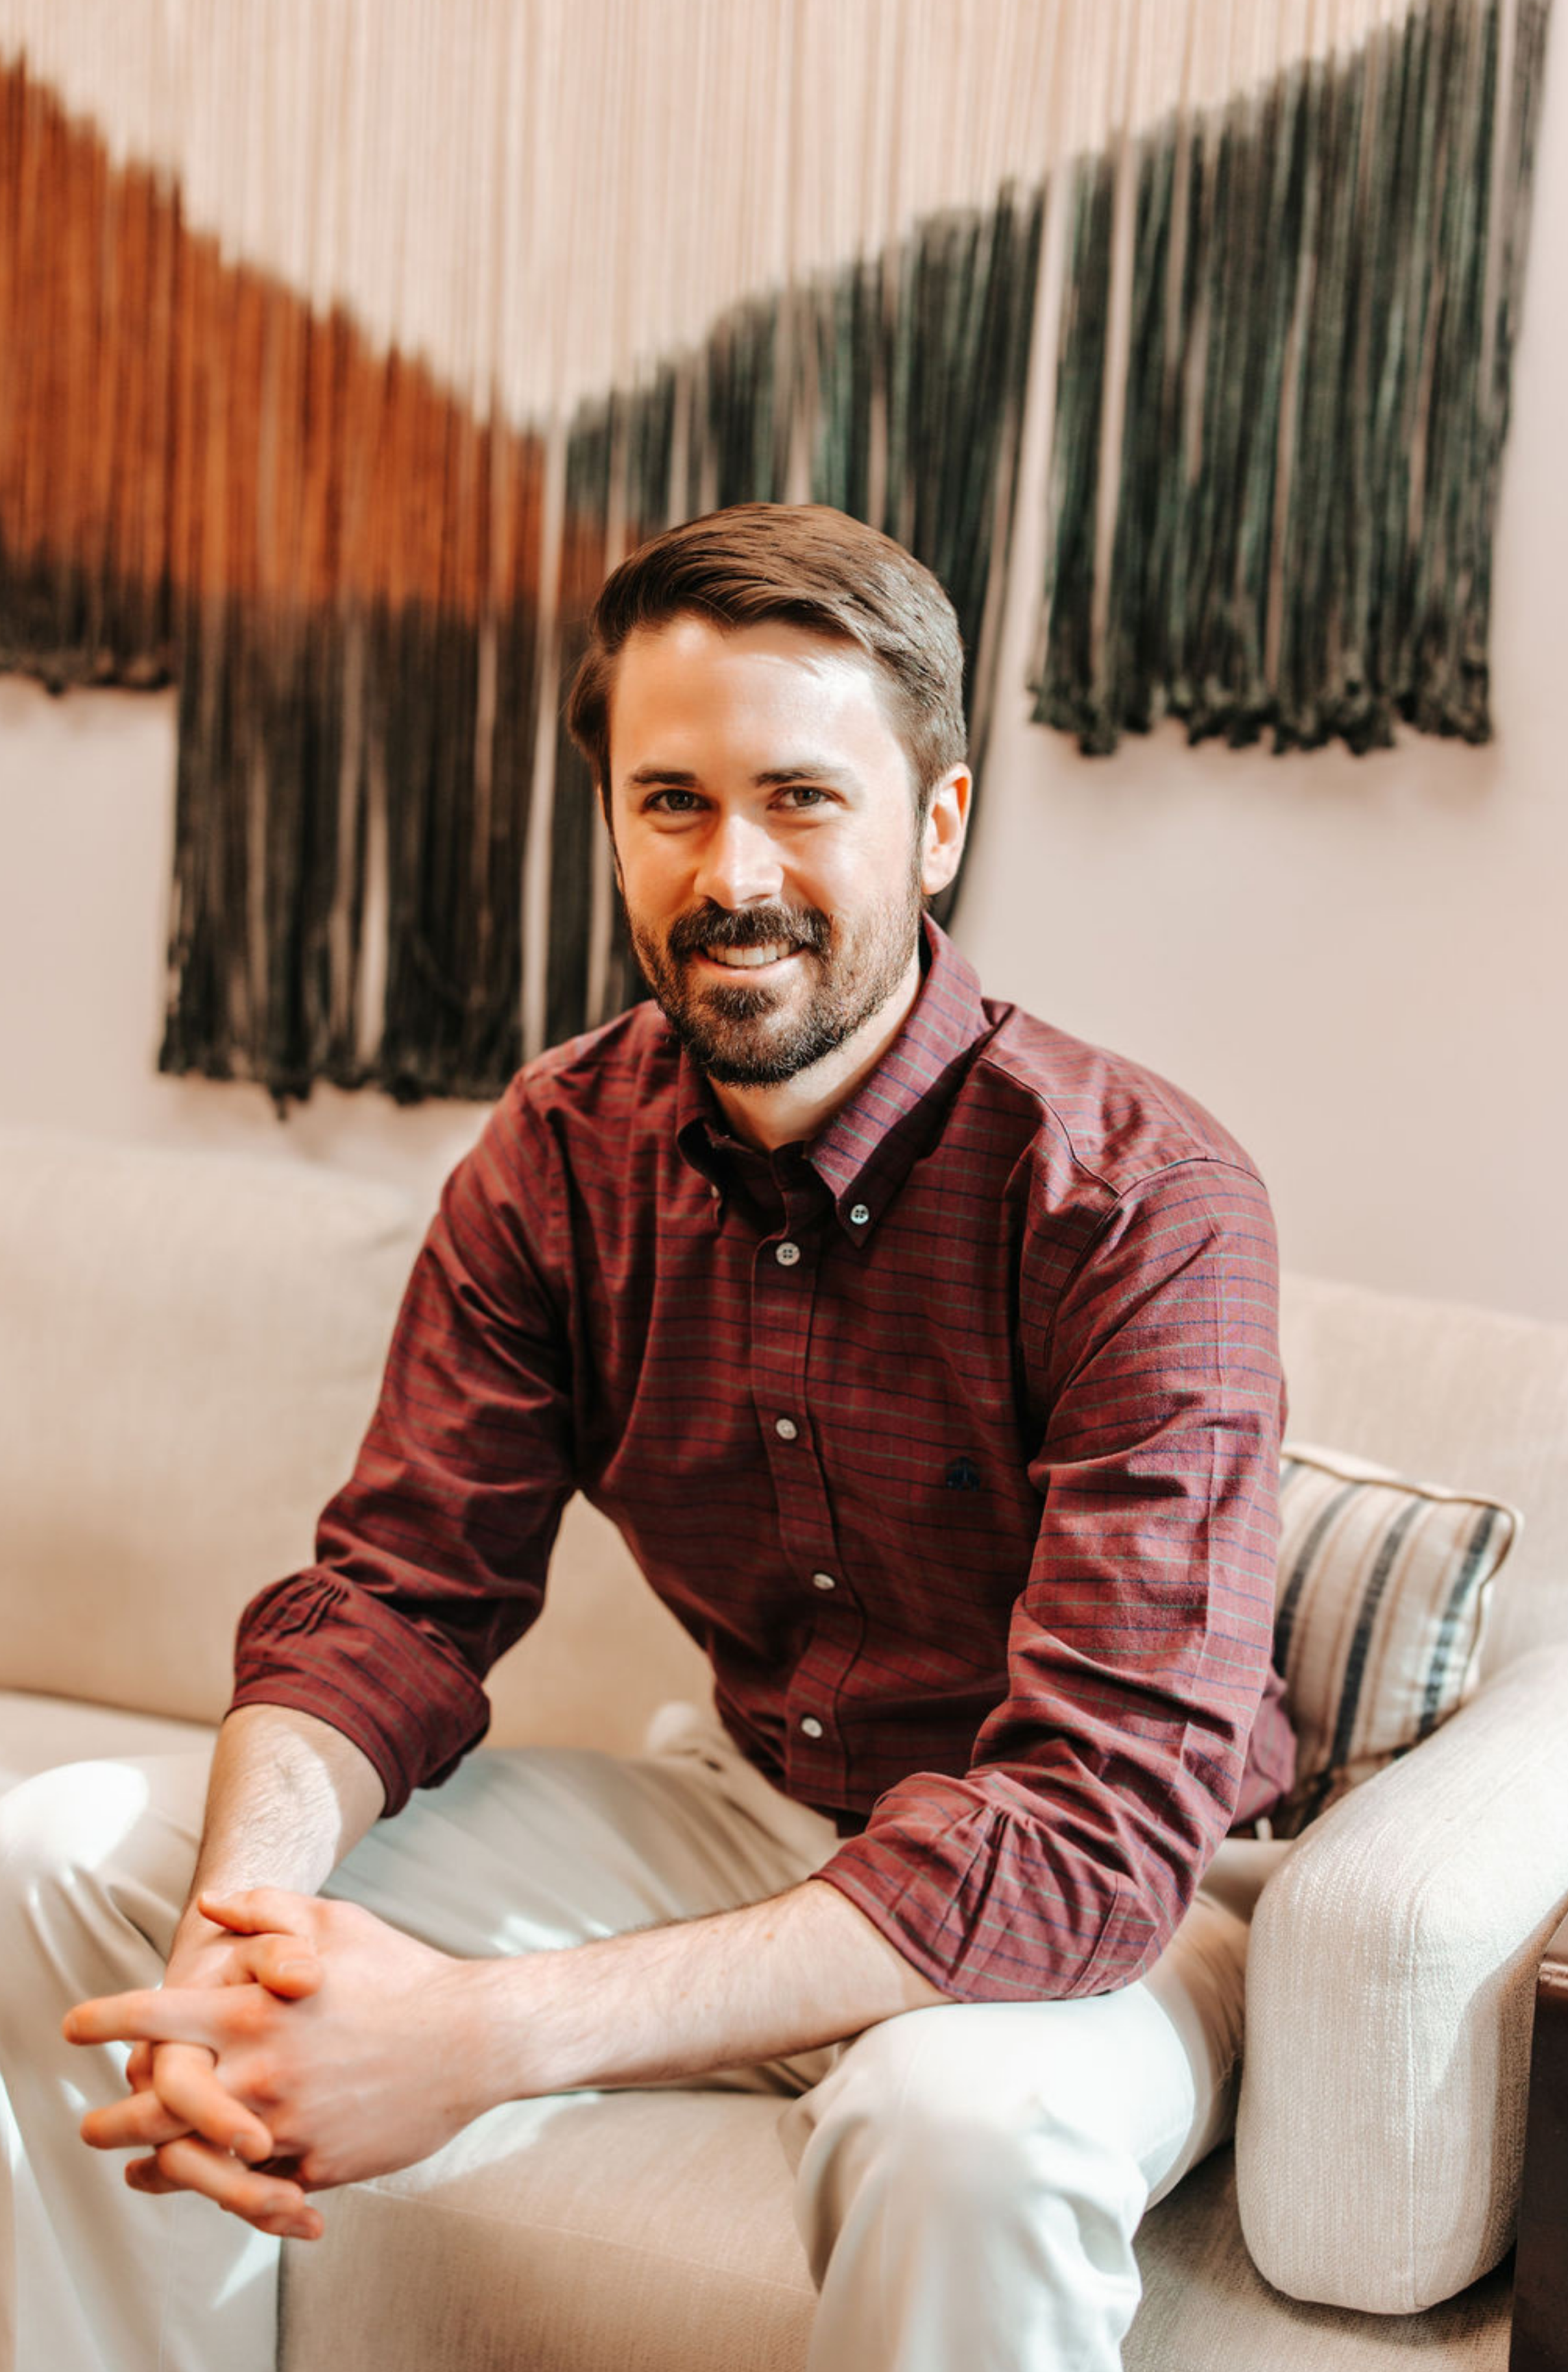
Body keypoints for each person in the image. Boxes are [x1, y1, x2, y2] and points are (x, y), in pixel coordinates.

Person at [1, 502, 1295, 2372]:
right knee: (67, 1856)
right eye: (671, 803)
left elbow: (1086, 1836)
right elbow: (393, 1599)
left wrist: (473, 2040)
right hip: (753, 1810)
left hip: (1122, 1905)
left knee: (950, 2130)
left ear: (935, 825)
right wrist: (251, 1921)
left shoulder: (1138, 1199)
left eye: (800, 799)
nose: (731, 870)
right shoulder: (559, 1154)